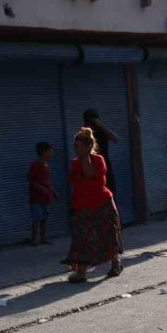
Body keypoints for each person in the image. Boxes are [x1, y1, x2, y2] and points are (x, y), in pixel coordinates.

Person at [62, 128, 124, 283]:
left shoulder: (98, 160)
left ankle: (115, 264)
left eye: (78, 146)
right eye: (75, 146)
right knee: (81, 239)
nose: (76, 150)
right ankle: (81, 272)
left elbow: (90, 175)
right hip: (81, 206)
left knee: (108, 235)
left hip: (102, 204)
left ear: (88, 146)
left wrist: (86, 156)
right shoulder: (74, 163)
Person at [82, 109, 120, 196]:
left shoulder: (102, 131)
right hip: (91, 168)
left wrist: (100, 125)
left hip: (104, 166)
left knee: (109, 192)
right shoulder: (85, 134)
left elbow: (115, 139)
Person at [28, 141, 57, 246]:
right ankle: (34, 240)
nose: (51, 154)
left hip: (46, 197)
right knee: (37, 218)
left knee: (45, 218)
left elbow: (48, 181)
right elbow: (30, 180)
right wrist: (40, 188)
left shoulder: (46, 165)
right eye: (49, 152)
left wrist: (53, 192)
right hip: (36, 198)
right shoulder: (36, 165)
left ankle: (43, 238)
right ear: (43, 153)